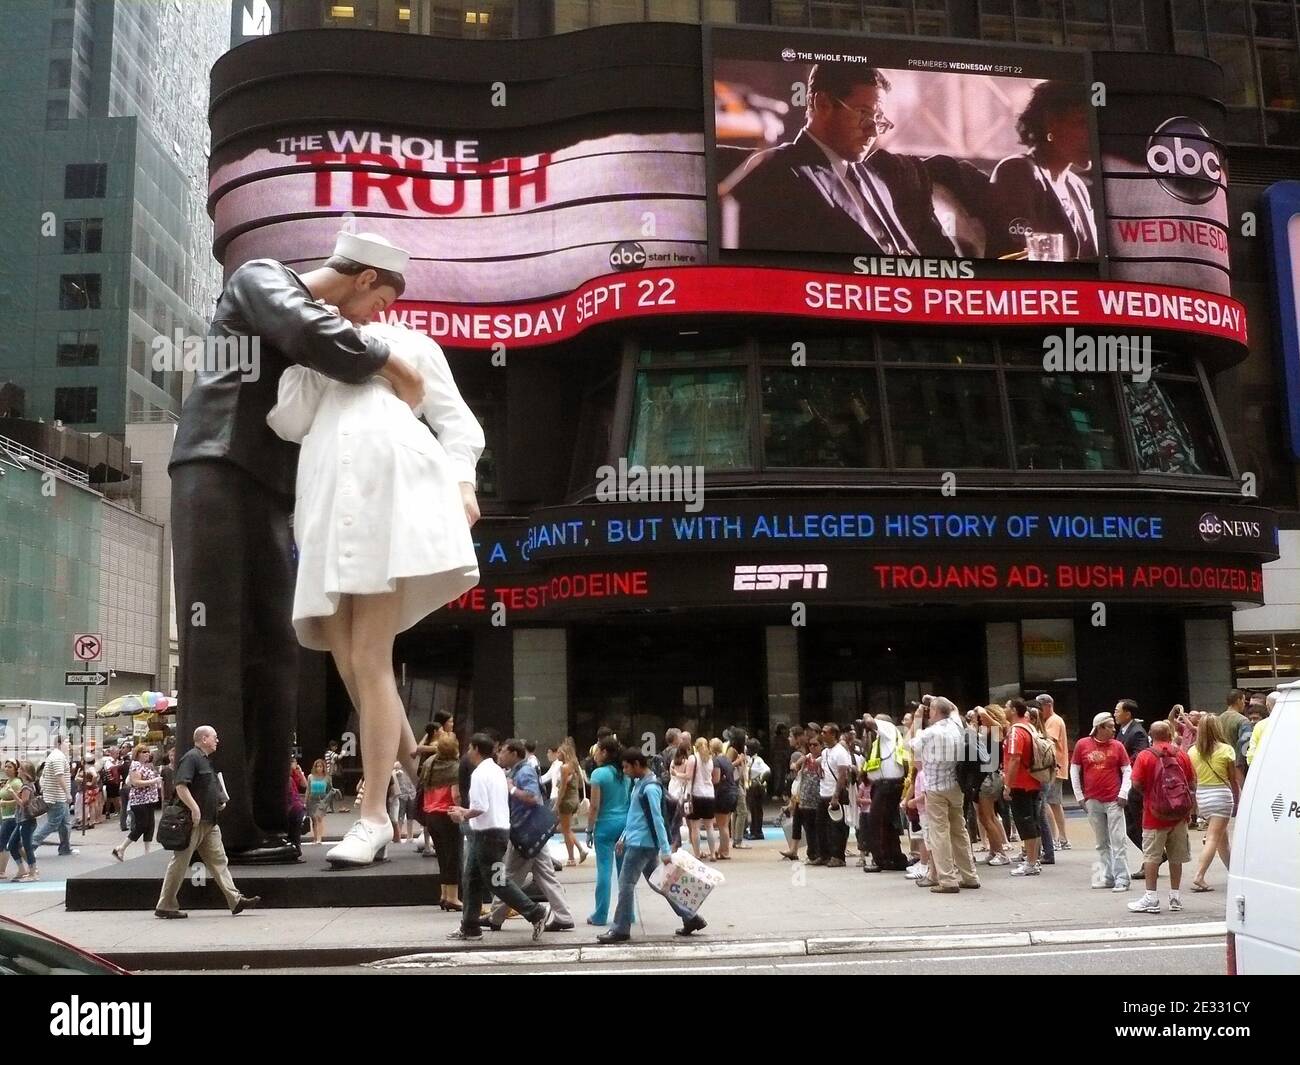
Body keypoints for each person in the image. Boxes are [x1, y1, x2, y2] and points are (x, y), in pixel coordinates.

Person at [170, 233, 425, 859]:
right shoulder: (261, 278)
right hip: (214, 469)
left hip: (268, 493)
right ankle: (216, 829)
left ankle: (266, 812)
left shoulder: (307, 329)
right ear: (363, 278)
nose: (378, 317)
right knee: (217, 650)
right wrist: (392, 360)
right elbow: (314, 332)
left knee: (277, 653)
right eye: (383, 301)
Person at [267, 306, 484, 869]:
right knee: (354, 667)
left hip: (391, 496)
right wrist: (311, 354)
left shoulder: (412, 343)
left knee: (369, 656)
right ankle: (438, 797)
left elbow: (457, 423)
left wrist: (463, 484)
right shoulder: (315, 350)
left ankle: (373, 814)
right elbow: (289, 420)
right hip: (325, 503)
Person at [729, 63, 957, 256]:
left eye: (878, 118)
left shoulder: (875, 178)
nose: (873, 131)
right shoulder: (774, 170)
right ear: (823, 104)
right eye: (865, 114)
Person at [595, 747, 707, 944]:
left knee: (626, 884)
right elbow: (635, 817)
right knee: (660, 883)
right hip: (641, 842)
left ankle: (621, 928)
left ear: (637, 765)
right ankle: (690, 917)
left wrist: (665, 849)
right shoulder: (641, 784)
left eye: (627, 767)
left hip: (641, 845)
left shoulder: (650, 788)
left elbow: (657, 819)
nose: (626, 771)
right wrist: (623, 836)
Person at [447, 733, 549, 942]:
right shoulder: (496, 771)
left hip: (487, 836)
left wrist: (463, 814)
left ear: (475, 749)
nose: (467, 753)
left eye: (469, 749)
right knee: (472, 879)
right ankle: (470, 926)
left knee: (496, 881)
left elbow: (481, 807)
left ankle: (535, 912)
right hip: (495, 833)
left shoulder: (479, 774)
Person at [155, 727, 260, 918]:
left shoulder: (203, 759)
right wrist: (195, 809)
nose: (217, 740)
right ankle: (166, 905)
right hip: (193, 821)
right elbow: (181, 786)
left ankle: (235, 900)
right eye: (214, 737)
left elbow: (203, 788)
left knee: (219, 860)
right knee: (180, 862)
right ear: (204, 739)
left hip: (209, 821)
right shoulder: (192, 758)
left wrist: (217, 802)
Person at [989, 80, 1097, 259]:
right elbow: (1019, 254)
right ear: (1051, 124)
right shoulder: (1017, 172)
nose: (1092, 135)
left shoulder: (1077, 186)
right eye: (1081, 123)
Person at [486, 740, 574, 932]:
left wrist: (511, 788)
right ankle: (563, 915)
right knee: (545, 875)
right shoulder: (518, 770)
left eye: (502, 752)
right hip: (532, 833)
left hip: (525, 832)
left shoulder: (523, 772)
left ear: (513, 753)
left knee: (507, 876)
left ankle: (496, 917)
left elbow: (532, 797)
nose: (499, 755)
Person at [908, 696, 980, 892]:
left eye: (931, 710)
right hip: (956, 785)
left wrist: (916, 720)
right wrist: (937, 700)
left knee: (939, 833)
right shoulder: (956, 725)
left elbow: (911, 745)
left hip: (935, 788)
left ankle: (947, 879)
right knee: (959, 831)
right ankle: (970, 876)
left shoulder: (930, 733)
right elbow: (953, 708)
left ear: (934, 711)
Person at [1127, 720, 1196, 915]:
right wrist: (1188, 810)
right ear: (1170, 734)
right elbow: (1191, 783)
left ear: (1151, 735)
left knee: (1151, 856)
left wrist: (1151, 796)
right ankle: (1175, 896)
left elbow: (1137, 783)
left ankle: (1151, 897)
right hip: (1179, 815)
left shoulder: (1145, 756)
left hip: (1154, 815)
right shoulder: (1181, 754)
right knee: (1177, 857)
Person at [1070, 713, 1132, 892]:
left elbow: (1127, 770)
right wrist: (1080, 796)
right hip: (1092, 800)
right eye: (1111, 726)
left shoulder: (1118, 746)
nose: (1115, 729)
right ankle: (1108, 876)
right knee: (1101, 842)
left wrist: (1123, 792)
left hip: (1113, 799)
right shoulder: (1083, 745)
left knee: (1118, 840)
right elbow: (1074, 770)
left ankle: (1121, 878)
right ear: (1100, 727)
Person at [1188, 714, 1240, 892]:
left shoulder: (1193, 751)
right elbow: (1232, 779)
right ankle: (1199, 875)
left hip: (1203, 795)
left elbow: (1193, 778)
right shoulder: (1226, 750)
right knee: (1213, 838)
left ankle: (1234, 872)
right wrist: (1237, 800)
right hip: (1221, 795)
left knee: (1221, 839)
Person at [587, 736, 632, 926]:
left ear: (604, 752)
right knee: (625, 873)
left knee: (604, 870)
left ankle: (600, 914)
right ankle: (627, 913)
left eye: (597, 750)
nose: (595, 754)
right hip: (624, 825)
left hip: (605, 825)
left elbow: (594, 806)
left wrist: (589, 829)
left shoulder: (598, 774)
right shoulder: (625, 773)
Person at [861, 713, 909, 871]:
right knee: (888, 823)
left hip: (888, 785)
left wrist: (867, 716)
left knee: (877, 821)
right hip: (884, 784)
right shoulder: (881, 741)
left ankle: (880, 859)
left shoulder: (888, 728)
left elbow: (869, 721)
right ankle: (893, 858)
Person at [422, 732, 462, 911]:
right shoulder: (455, 768)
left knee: (442, 856)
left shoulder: (429, 764)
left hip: (431, 814)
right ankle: (453, 897)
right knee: (452, 856)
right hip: (448, 815)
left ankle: (444, 894)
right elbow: (455, 795)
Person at [1004, 699, 1043, 877]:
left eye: (1006, 706)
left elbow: (1014, 758)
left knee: (1025, 823)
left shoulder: (1015, 732)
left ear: (1013, 710)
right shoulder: (1030, 727)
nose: (1004, 709)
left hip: (1021, 783)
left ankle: (1031, 863)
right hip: (1033, 781)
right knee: (1033, 822)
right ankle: (1034, 860)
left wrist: (1007, 785)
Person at [973, 704, 1010, 866]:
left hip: (990, 777)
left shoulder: (997, 731)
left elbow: (993, 723)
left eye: (983, 717)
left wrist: (982, 711)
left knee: (988, 817)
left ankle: (1001, 853)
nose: (981, 720)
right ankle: (994, 850)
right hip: (986, 776)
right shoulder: (987, 733)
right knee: (984, 816)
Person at [113, 746, 163, 863]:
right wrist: (154, 781)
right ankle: (121, 848)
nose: (147, 754)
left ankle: (147, 852)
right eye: (144, 752)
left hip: (149, 799)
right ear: (138, 754)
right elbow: (136, 782)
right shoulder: (135, 765)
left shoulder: (145, 766)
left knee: (150, 825)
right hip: (140, 800)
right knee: (142, 825)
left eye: (147, 752)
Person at [30, 737, 76, 857]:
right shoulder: (58, 757)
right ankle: (31, 845)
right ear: (59, 743)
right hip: (57, 797)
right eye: (67, 742)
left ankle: (65, 848)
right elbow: (59, 776)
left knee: (65, 823)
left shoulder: (56, 756)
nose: (69, 744)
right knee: (53, 823)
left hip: (56, 796)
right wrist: (67, 793)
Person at [1114, 699, 1150, 851]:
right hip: (1124, 782)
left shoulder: (1137, 732)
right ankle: (1153, 855)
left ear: (1128, 714)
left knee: (1135, 824)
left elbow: (1139, 756)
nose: (1114, 714)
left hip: (1133, 784)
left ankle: (1152, 855)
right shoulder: (1122, 731)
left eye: (1117, 711)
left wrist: (1122, 764)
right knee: (1131, 826)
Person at [1036, 694, 1071, 849]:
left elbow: (1048, 740)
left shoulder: (1054, 721)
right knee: (1054, 803)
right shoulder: (1050, 721)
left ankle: (1056, 838)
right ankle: (1061, 838)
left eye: (1040, 707)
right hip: (1055, 767)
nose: (1038, 711)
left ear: (1048, 705)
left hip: (1054, 767)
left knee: (1050, 802)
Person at [817, 723, 853, 867]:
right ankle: (824, 854)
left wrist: (836, 795)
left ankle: (838, 856)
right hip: (823, 792)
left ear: (833, 734)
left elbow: (842, 775)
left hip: (834, 794)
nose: (822, 734)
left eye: (825, 732)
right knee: (821, 826)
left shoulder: (840, 752)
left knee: (836, 827)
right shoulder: (825, 752)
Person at [783, 734, 823, 863]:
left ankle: (817, 853)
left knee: (816, 828)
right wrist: (798, 764)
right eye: (810, 745)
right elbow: (794, 767)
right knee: (808, 828)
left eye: (815, 745)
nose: (812, 747)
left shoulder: (823, 758)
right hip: (804, 798)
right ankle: (812, 854)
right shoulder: (806, 758)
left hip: (817, 798)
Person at [554, 737, 589, 866]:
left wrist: (557, 803)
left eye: (558, 752)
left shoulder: (564, 767)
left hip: (566, 801)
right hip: (574, 799)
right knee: (567, 829)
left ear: (564, 753)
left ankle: (571, 857)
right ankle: (580, 850)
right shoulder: (574, 766)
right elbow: (578, 784)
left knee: (566, 830)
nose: (556, 754)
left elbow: (562, 788)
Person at [5, 762, 40, 882]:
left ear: (25, 772)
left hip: (26, 820)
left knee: (27, 846)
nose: (18, 770)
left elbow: (23, 804)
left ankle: (33, 872)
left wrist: (13, 793)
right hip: (21, 820)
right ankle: (22, 869)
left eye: (20, 769)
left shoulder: (26, 787)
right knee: (12, 844)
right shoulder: (27, 785)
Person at [711, 737, 739, 858]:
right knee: (725, 823)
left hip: (723, 794)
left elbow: (716, 779)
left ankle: (725, 851)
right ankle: (722, 848)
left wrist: (708, 781)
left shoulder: (716, 761)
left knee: (722, 825)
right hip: (732, 792)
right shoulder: (727, 760)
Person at [744, 739, 769, 840]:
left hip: (756, 787)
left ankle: (757, 831)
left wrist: (760, 781)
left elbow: (767, 770)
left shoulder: (758, 760)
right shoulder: (750, 760)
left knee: (757, 810)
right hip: (751, 787)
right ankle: (753, 829)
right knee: (753, 810)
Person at [305, 759, 330, 845]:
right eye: (317, 766)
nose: (319, 768)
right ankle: (315, 838)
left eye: (321, 766)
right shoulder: (310, 777)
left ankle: (319, 838)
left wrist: (328, 800)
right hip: (312, 799)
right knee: (314, 819)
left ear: (323, 767)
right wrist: (305, 801)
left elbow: (330, 790)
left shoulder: (327, 777)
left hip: (322, 800)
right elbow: (308, 789)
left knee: (319, 818)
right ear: (314, 767)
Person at [286, 755, 307, 858]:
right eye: (292, 762)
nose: (294, 765)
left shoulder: (294, 775)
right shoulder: (287, 778)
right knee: (293, 830)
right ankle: (294, 849)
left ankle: (296, 849)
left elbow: (304, 785)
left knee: (295, 831)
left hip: (295, 805)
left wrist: (300, 772)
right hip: (292, 806)